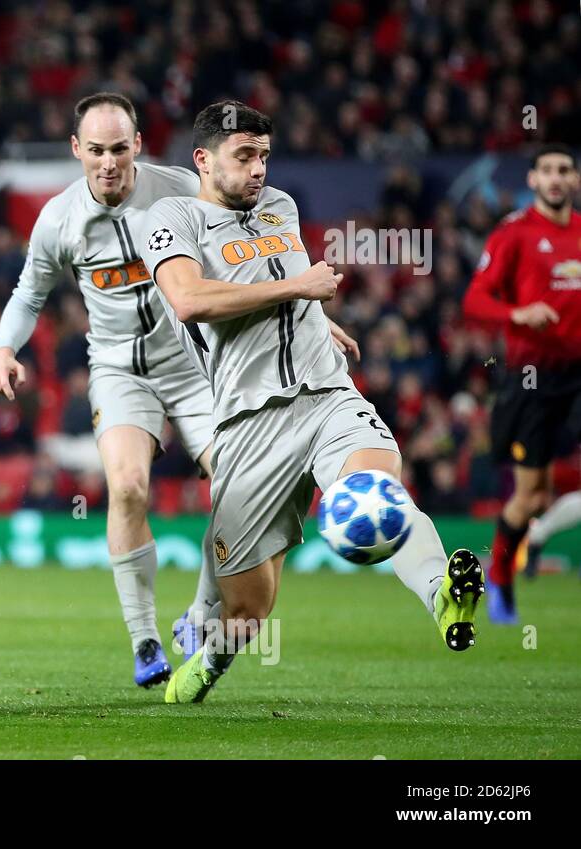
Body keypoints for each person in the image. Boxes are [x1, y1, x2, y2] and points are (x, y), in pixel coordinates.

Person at [0, 93, 362, 688]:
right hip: (118, 370)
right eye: (96, 152)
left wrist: (313, 317)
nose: (108, 164)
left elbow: (253, 256)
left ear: (137, 145)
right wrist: (5, 349)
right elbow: (29, 293)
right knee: (129, 487)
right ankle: (144, 640)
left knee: (238, 482)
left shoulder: (182, 188)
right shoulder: (58, 218)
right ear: (77, 151)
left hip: (195, 367)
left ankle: (201, 611)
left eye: (119, 149)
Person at [140, 100, 483, 704]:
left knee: (378, 494)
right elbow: (190, 299)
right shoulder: (171, 217)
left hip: (326, 395)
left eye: (264, 156)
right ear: (202, 160)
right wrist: (301, 289)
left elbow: (274, 281)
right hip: (249, 423)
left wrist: (313, 318)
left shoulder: (280, 207)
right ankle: (208, 660)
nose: (257, 170)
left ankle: (442, 595)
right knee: (250, 607)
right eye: (242, 157)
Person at [462, 144, 581, 620]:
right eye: (547, 170)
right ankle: (503, 576)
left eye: (565, 170)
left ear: (574, 179)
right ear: (532, 180)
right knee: (531, 496)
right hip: (535, 381)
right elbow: (474, 301)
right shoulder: (515, 233)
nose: (556, 178)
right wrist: (519, 313)